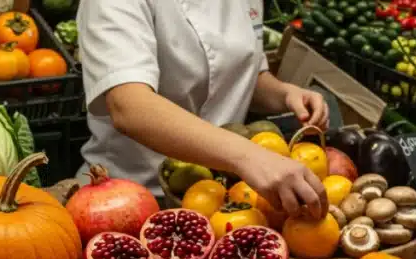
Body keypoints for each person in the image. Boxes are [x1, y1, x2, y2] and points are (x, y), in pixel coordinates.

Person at [77, 0, 331, 219]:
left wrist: (284, 94)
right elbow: (129, 107)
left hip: (222, 197)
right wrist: (249, 157)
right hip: (128, 196)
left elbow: (237, 75)